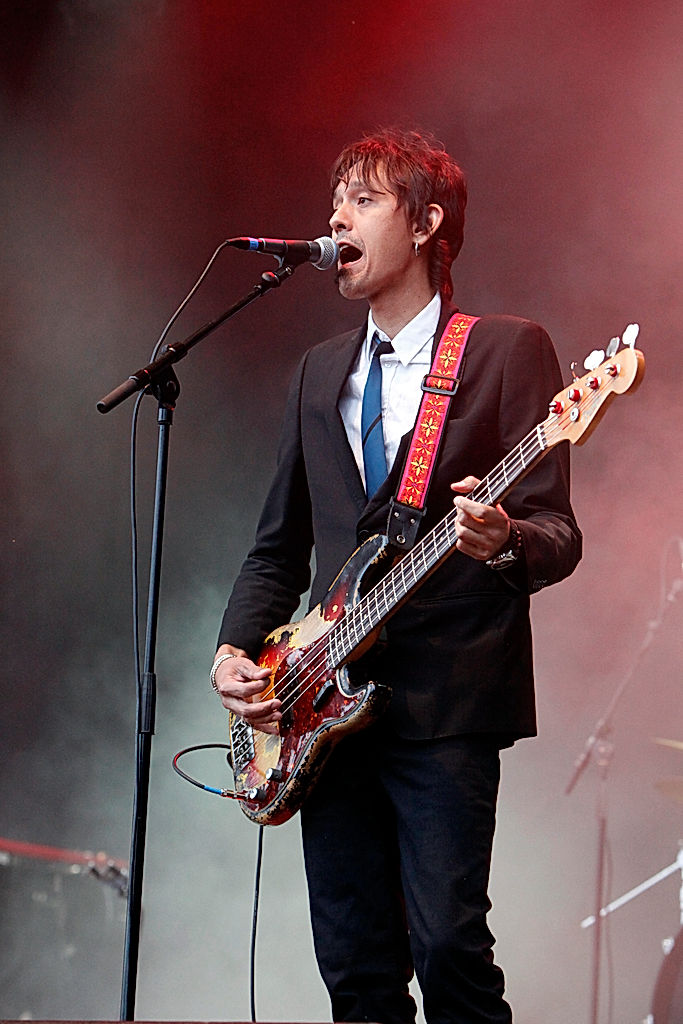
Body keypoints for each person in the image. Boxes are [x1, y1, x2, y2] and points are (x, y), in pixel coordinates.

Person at [211, 128, 582, 1024]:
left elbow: (557, 531)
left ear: (426, 223)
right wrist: (234, 650)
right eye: (333, 199)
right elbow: (278, 546)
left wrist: (498, 539)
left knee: (449, 947)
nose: (335, 217)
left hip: (445, 706)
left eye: (362, 199)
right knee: (355, 969)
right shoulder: (316, 375)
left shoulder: (502, 351)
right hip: (323, 711)